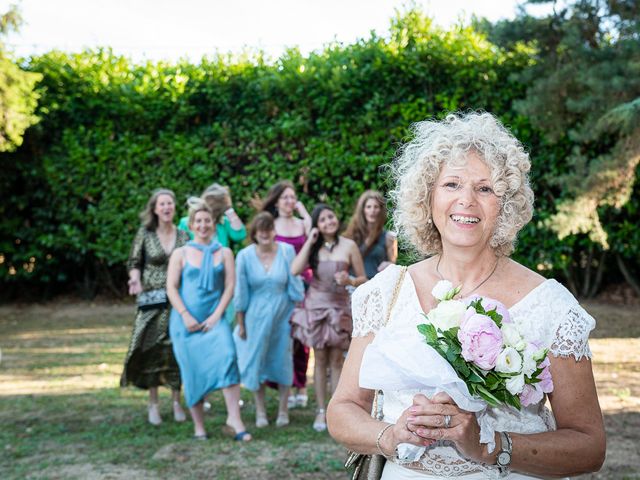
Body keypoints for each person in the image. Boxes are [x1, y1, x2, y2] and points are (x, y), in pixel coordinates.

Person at [327, 112, 606, 478]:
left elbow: (589, 446)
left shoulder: (550, 306)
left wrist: (491, 444)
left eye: (485, 188)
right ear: (427, 198)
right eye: (452, 184)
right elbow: (343, 408)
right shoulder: (386, 292)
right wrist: (391, 435)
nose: (467, 201)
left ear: (505, 204)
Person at [166, 197, 251, 441]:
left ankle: (234, 418)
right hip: (185, 323)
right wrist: (185, 315)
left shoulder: (224, 253)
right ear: (190, 225)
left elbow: (230, 286)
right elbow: (171, 288)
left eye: (207, 221)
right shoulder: (180, 254)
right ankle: (199, 426)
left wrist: (216, 316)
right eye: (198, 221)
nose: (203, 225)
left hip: (215, 320)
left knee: (228, 356)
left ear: (214, 224)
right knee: (191, 370)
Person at [290, 203, 367, 432]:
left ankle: (337, 411)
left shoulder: (349, 245)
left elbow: (363, 278)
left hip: (339, 306)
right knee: (320, 359)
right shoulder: (313, 247)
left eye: (330, 217)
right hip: (316, 306)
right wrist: (310, 240)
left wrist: (351, 281)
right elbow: (294, 270)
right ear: (317, 225)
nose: (328, 222)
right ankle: (321, 410)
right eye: (322, 219)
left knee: (337, 360)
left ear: (336, 218)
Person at [120, 188, 188, 426]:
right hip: (151, 301)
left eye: (170, 203)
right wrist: (135, 278)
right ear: (155, 209)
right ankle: (153, 404)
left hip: (177, 301)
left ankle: (177, 402)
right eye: (162, 204)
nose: (167, 208)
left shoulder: (183, 235)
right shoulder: (145, 234)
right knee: (150, 350)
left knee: (175, 352)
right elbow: (134, 261)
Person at [233, 212, 305, 428]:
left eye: (269, 229)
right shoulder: (244, 256)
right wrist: (241, 323)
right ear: (254, 233)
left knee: (283, 361)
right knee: (257, 362)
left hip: (283, 315)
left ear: (274, 231)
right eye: (260, 229)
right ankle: (260, 410)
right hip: (254, 317)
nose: (265, 233)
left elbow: (294, 285)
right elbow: (240, 292)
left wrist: (297, 315)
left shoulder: (286, 251)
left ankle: (283, 409)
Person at [256, 180, 312, 409]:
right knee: (282, 339)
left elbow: (312, 241)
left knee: (303, 338)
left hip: (304, 286)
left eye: (292, 197)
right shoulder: (272, 226)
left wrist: (303, 211)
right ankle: (284, 386)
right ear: (276, 201)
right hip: (280, 289)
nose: (289, 201)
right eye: (285, 197)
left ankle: (302, 386)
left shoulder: (302, 224)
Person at [344, 190, 398, 279]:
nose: (372, 211)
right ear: (362, 210)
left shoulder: (388, 236)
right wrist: (369, 240)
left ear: (381, 210)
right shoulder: (352, 233)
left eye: (376, 207)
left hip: (375, 284)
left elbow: (393, 265)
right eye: (368, 207)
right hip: (354, 284)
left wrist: (389, 265)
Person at [178, 183, 246, 247]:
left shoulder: (224, 223)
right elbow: (180, 247)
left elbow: (240, 235)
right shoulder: (185, 223)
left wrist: (229, 209)